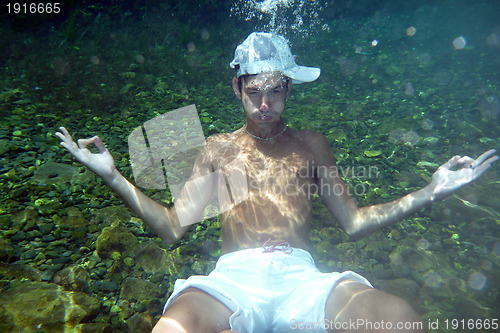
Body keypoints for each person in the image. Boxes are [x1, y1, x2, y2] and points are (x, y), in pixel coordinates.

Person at [56, 32, 498, 333]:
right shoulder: (217, 148)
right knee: (171, 328)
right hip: (234, 279)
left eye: (276, 92)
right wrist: (115, 177)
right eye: (254, 93)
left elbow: (355, 221)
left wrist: (430, 190)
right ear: (236, 87)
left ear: (289, 88)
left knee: (400, 318)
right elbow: (173, 228)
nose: (265, 105)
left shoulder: (312, 145)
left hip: (301, 279)